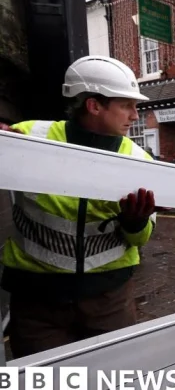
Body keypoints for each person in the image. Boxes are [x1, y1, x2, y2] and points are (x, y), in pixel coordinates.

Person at [0, 55, 157, 359]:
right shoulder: (27, 138)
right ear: (94, 105)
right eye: (126, 105)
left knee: (111, 389)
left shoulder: (139, 160)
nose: (135, 116)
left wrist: (135, 223)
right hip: (37, 300)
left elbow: (142, 238)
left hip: (109, 300)